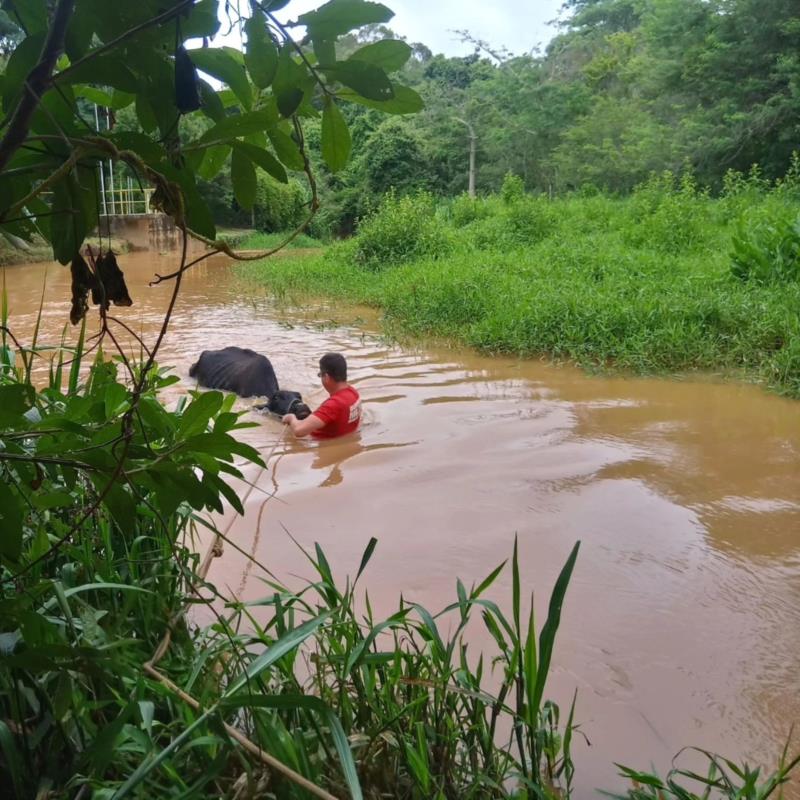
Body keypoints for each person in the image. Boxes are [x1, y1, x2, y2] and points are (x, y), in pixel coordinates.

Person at [282, 352, 362, 439]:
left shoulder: (333, 405)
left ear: (326, 377)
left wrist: (291, 418)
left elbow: (298, 430)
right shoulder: (354, 393)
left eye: (320, 375)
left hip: (318, 441)